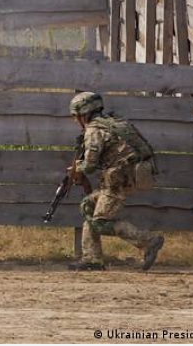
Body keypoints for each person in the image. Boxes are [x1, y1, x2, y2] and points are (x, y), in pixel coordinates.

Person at [67, 92, 164, 271]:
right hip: (131, 174)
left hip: (119, 180)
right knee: (88, 205)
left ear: (84, 114)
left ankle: (149, 240)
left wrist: (76, 169)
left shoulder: (94, 130)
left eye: (76, 116)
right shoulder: (114, 122)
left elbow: (89, 166)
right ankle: (92, 259)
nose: (75, 121)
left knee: (99, 222)